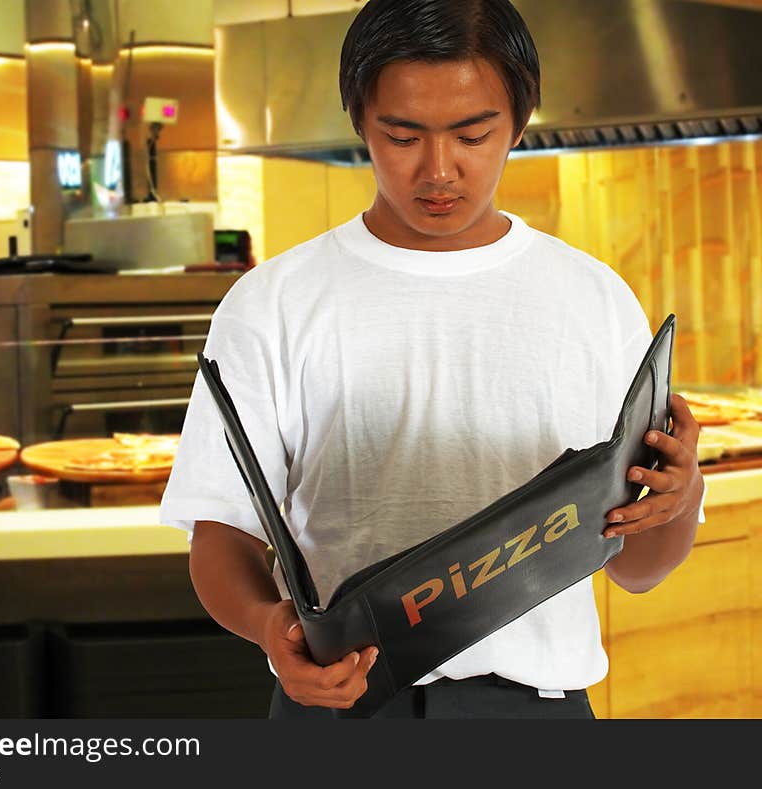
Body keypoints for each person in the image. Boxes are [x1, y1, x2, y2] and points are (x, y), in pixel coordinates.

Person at [160, 0, 706, 719]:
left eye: (474, 134)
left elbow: (636, 568)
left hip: (536, 713)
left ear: (519, 119)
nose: (439, 169)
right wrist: (270, 626)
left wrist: (681, 491)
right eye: (403, 134)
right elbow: (222, 535)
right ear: (360, 120)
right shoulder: (272, 302)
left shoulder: (595, 298)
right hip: (342, 710)